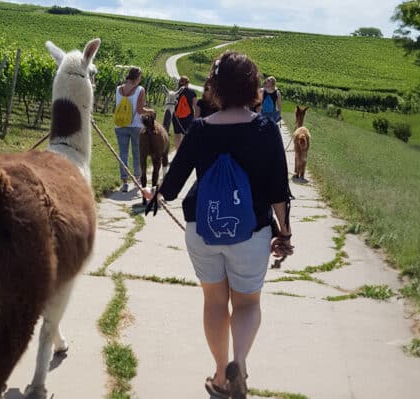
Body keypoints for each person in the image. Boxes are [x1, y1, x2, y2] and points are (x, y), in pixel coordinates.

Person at [143, 52, 292, 398]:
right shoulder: (265, 130)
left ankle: (221, 375)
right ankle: (238, 362)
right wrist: (284, 231)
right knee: (247, 304)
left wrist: (154, 195)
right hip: (251, 231)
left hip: (203, 229)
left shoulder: (199, 129)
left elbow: (173, 183)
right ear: (253, 87)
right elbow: (278, 190)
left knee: (213, 302)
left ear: (214, 88)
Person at [114, 66, 154, 192]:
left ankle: (124, 182)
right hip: (136, 125)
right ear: (137, 77)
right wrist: (151, 111)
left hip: (120, 125)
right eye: (140, 76)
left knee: (123, 154)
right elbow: (140, 110)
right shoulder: (140, 90)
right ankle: (137, 179)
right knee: (137, 153)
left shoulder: (118, 89)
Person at [172, 75, 198, 150]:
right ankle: (184, 153)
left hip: (176, 117)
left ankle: (177, 153)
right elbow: (196, 106)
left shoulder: (175, 92)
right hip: (188, 117)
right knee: (186, 136)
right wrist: (196, 118)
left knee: (177, 134)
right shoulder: (192, 92)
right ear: (187, 83)